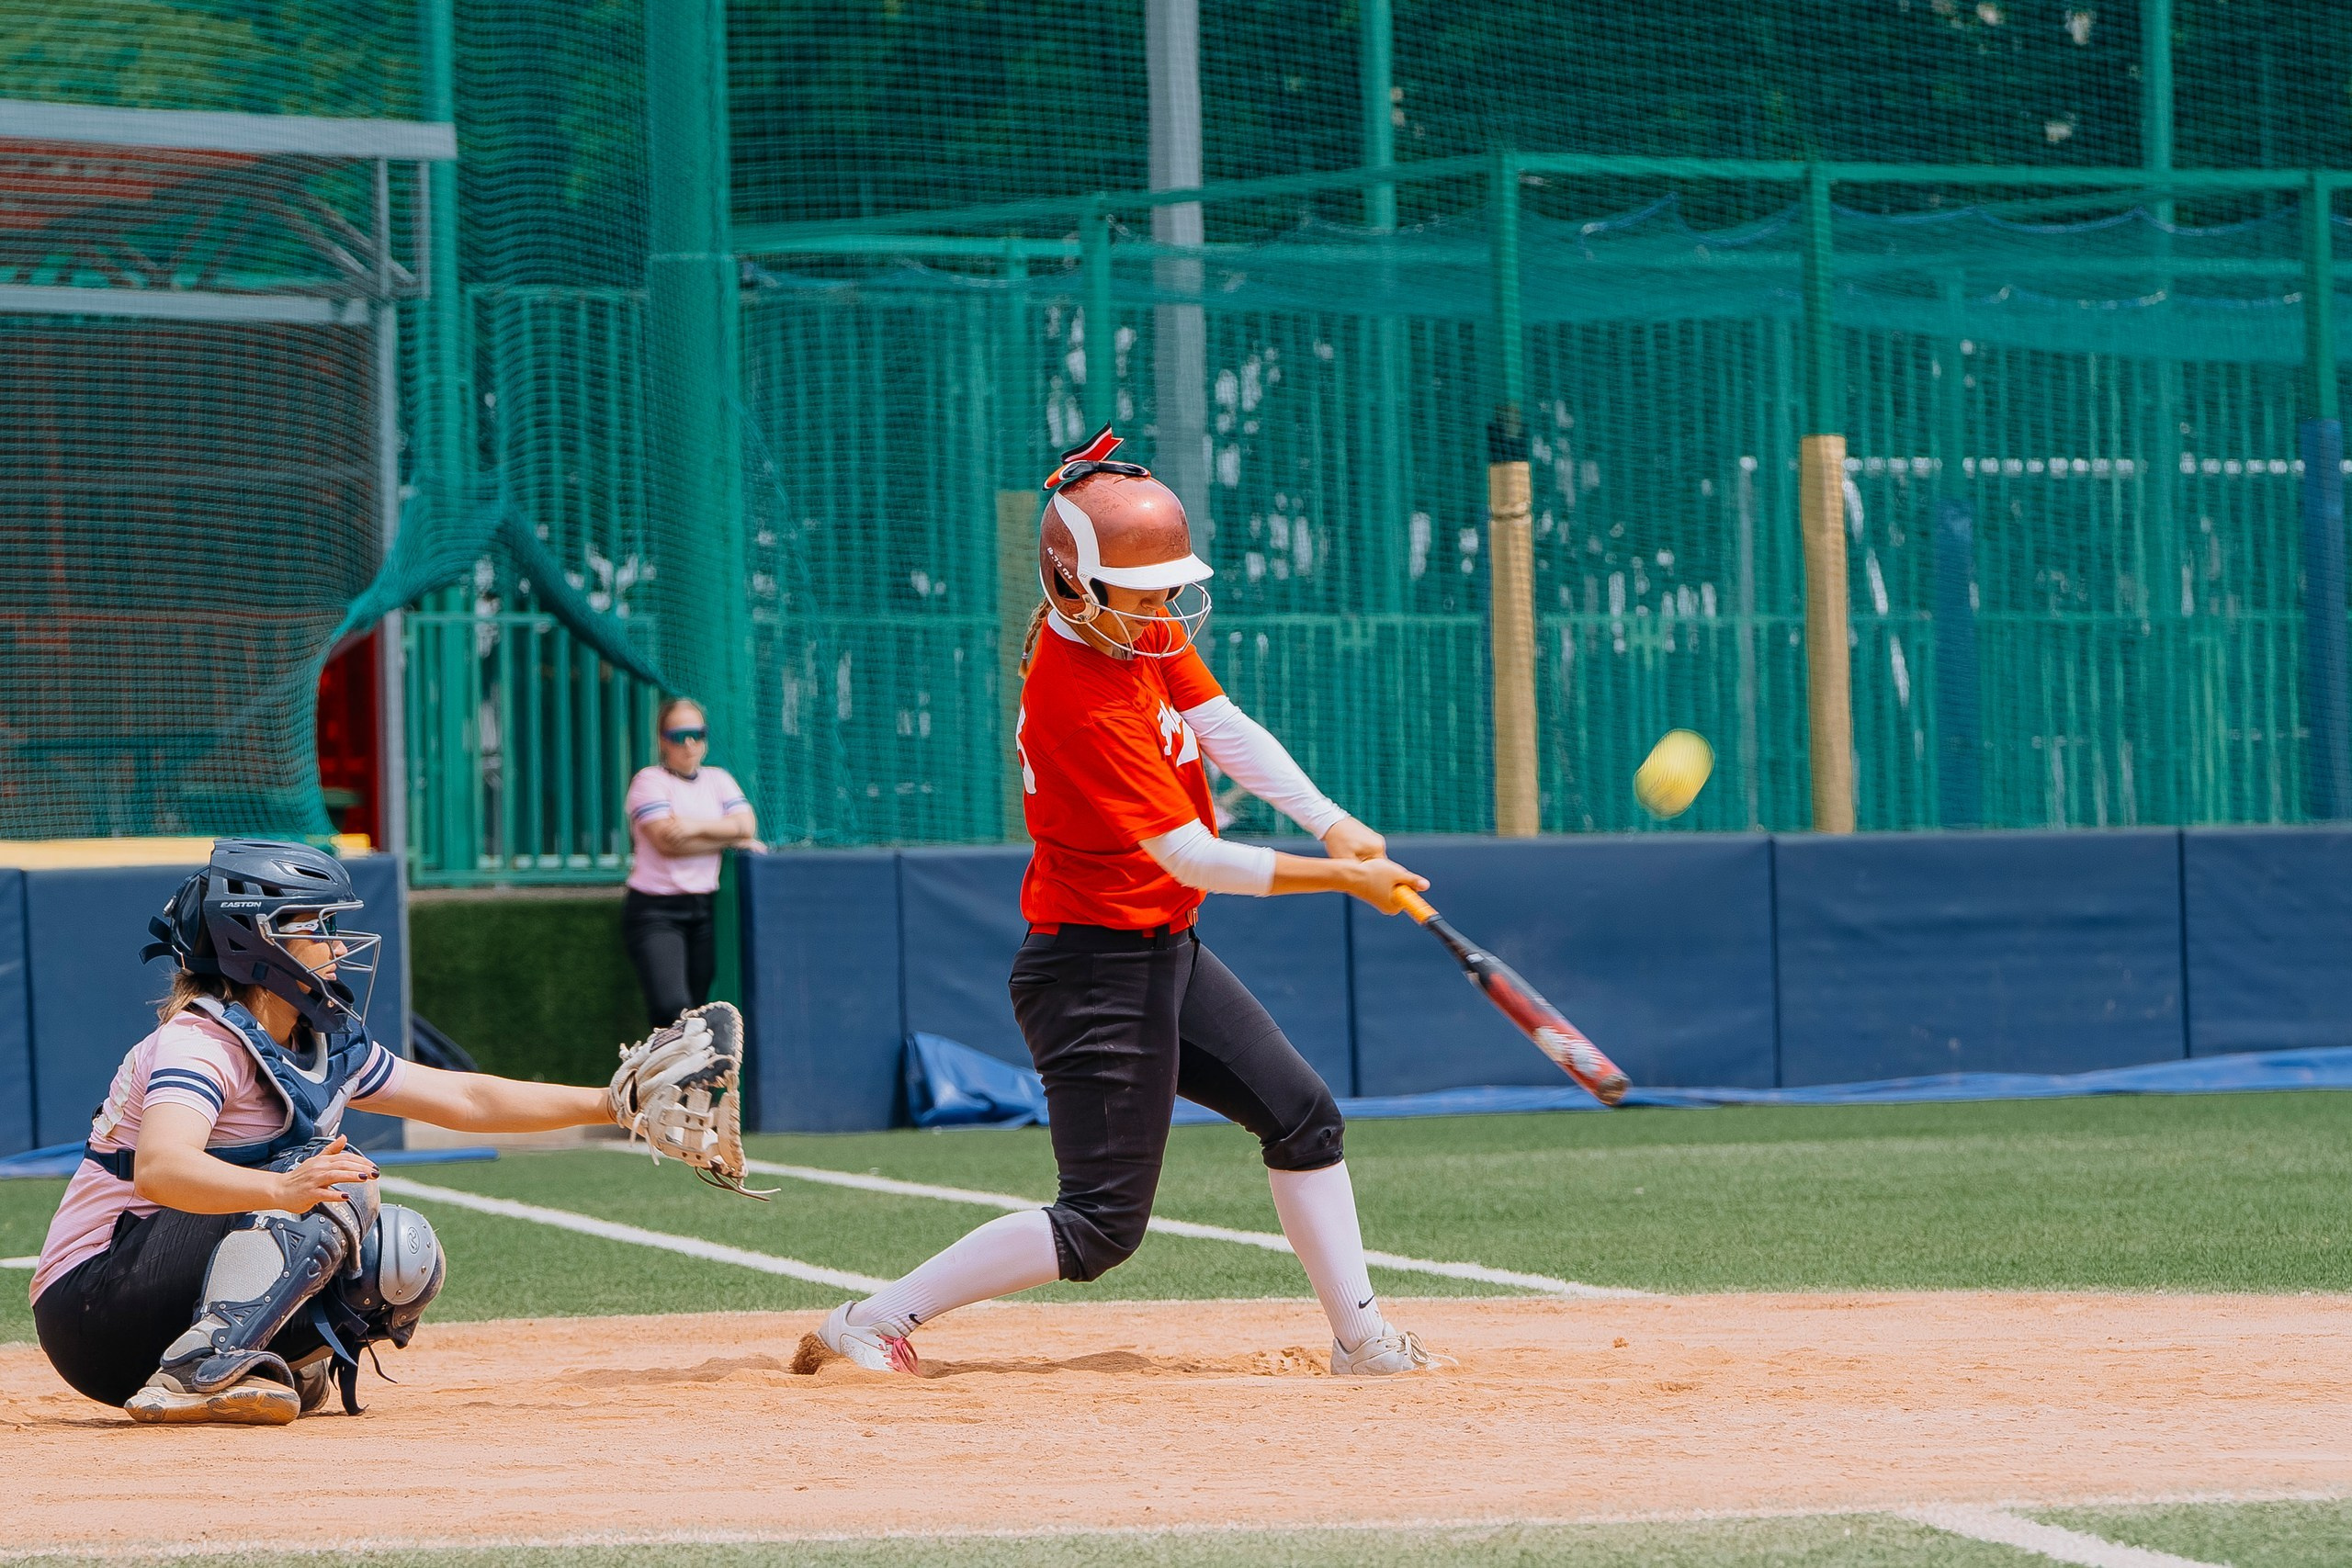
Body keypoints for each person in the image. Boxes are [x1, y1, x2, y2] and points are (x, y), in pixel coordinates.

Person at [815, 428, 1439, 1378]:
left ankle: (1360, 1340)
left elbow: (1221, 723)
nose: (1161, 613)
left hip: (1161, 949)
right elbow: (1189, 854)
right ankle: (870, 1319)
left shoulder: (1134, 630)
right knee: (1102, 1224)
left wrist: (1331, 821)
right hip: (1092, 968)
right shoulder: (1076, 692)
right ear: (1073, 584)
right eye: (1140, 594)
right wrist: (1344, 879)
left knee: (1302, 1114)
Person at [28, 839, 631, 1426]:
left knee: (397, 1253)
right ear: (257, 939)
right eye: (318, 928)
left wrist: (614, 1103)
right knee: (333, 1177)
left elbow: (466, 1097)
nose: (338, 945)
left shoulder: (317, 1041)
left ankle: (264, 1357)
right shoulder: (200, 1044)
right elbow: (160, 1168)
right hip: (92, 1307)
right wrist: (282, 1189)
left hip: (146, 1302)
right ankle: (200, 1364)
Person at [623, 698, 761, 1029]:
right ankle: (659, 1079)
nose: (688, 743)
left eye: (697, 734)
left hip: (703, 910)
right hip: (656, 911)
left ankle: (688, 1083)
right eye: (678, 734)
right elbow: (667, 842)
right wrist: (726, 835)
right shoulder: (649, 781)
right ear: (662, 740)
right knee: (673, 1007)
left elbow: (747, 824)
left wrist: (692, 826)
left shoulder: (718, 779)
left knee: (696, 1012)